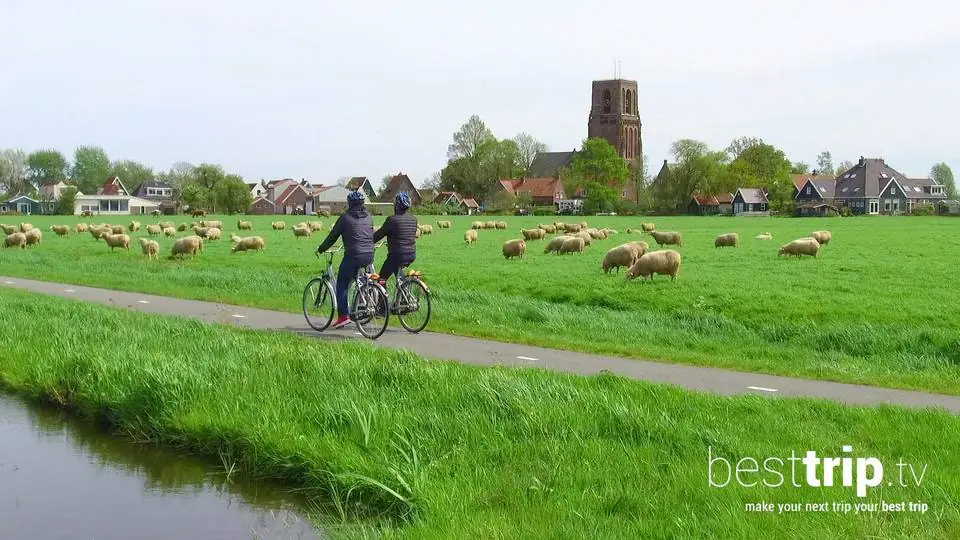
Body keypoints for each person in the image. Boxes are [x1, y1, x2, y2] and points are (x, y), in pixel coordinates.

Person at [315, 190, 375, 329]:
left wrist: (321, 249)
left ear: (349, 204)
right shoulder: (369, 216)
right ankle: (363, 299)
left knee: (342, 283)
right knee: (358, 277)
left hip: (354, 255)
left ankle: (343, 316)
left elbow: (332, 236)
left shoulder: (345, 217)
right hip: (369, 255)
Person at [373, 191, 418, 288]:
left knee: (382, 279)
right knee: (398, 272)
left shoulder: (392, 220)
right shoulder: (414, 219)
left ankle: (382, 302)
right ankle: (402, 297)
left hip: (397, 256)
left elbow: (378, 235)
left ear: (396, 206)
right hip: (411, 255)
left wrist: (367, 241)